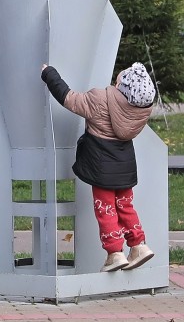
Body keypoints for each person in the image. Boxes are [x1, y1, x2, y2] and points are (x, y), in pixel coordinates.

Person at [41, 61, 157, 272]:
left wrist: (49, 73)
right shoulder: (139, 111)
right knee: (125, 205)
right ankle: (138, 245)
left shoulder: (99, 99)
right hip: (125, 168)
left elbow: (68, 98)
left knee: (106, 210)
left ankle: (115, 253)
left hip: (101, 167)